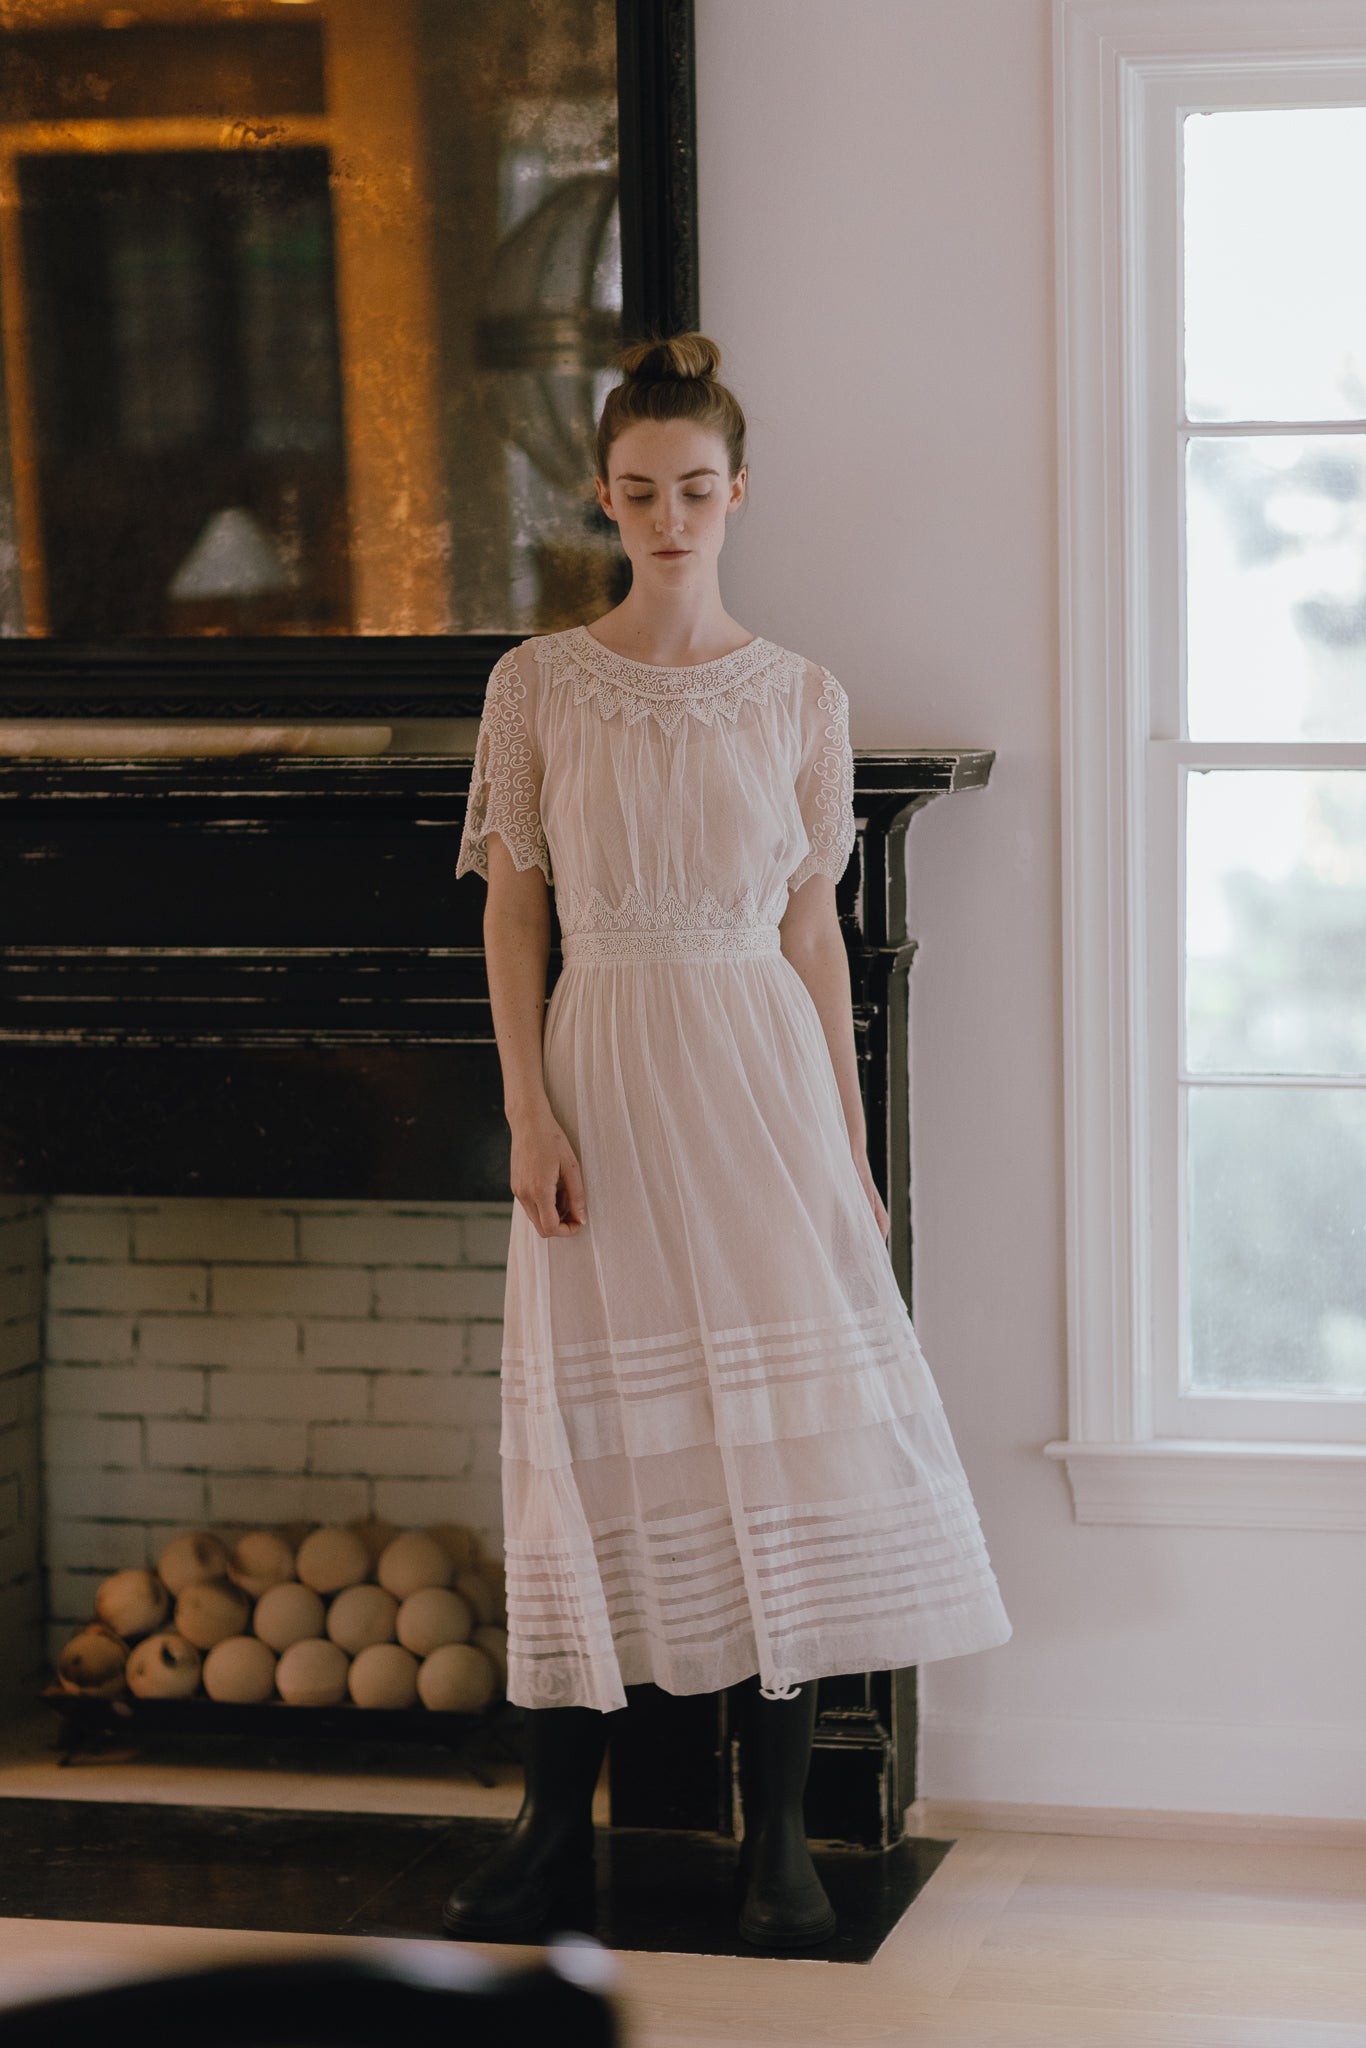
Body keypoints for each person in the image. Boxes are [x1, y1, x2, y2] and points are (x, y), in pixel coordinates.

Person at [442, 333, 1012, 1950]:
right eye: (638, 492)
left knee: (790, 1449)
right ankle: (557, 1841)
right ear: (603, 500)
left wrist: (844, 1148)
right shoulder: (537, 683)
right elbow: (514, 913)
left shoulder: (802, 698)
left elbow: (812, 937)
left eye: (695, 490)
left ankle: (780, 1854)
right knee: (583, 1460)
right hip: (603, 1065)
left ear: (737, 493)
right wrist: (525, 1112)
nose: (668, 517)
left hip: (757, 1079)